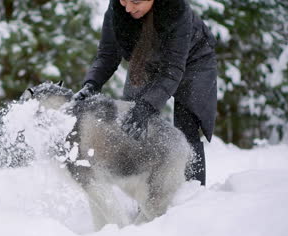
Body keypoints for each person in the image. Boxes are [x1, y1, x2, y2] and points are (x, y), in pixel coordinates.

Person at [73, 0, 217, 186]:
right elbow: (108, 55)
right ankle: (142, 190)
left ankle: (192, 191)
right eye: (124, 0)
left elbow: (172, 70)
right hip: (147, 59)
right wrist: (91, 84)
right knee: (132, 122)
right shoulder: (118, 9)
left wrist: (148, 105)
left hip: (193, 61)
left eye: (136, 1)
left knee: (186, 127)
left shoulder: (177, 11)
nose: (128, 8)